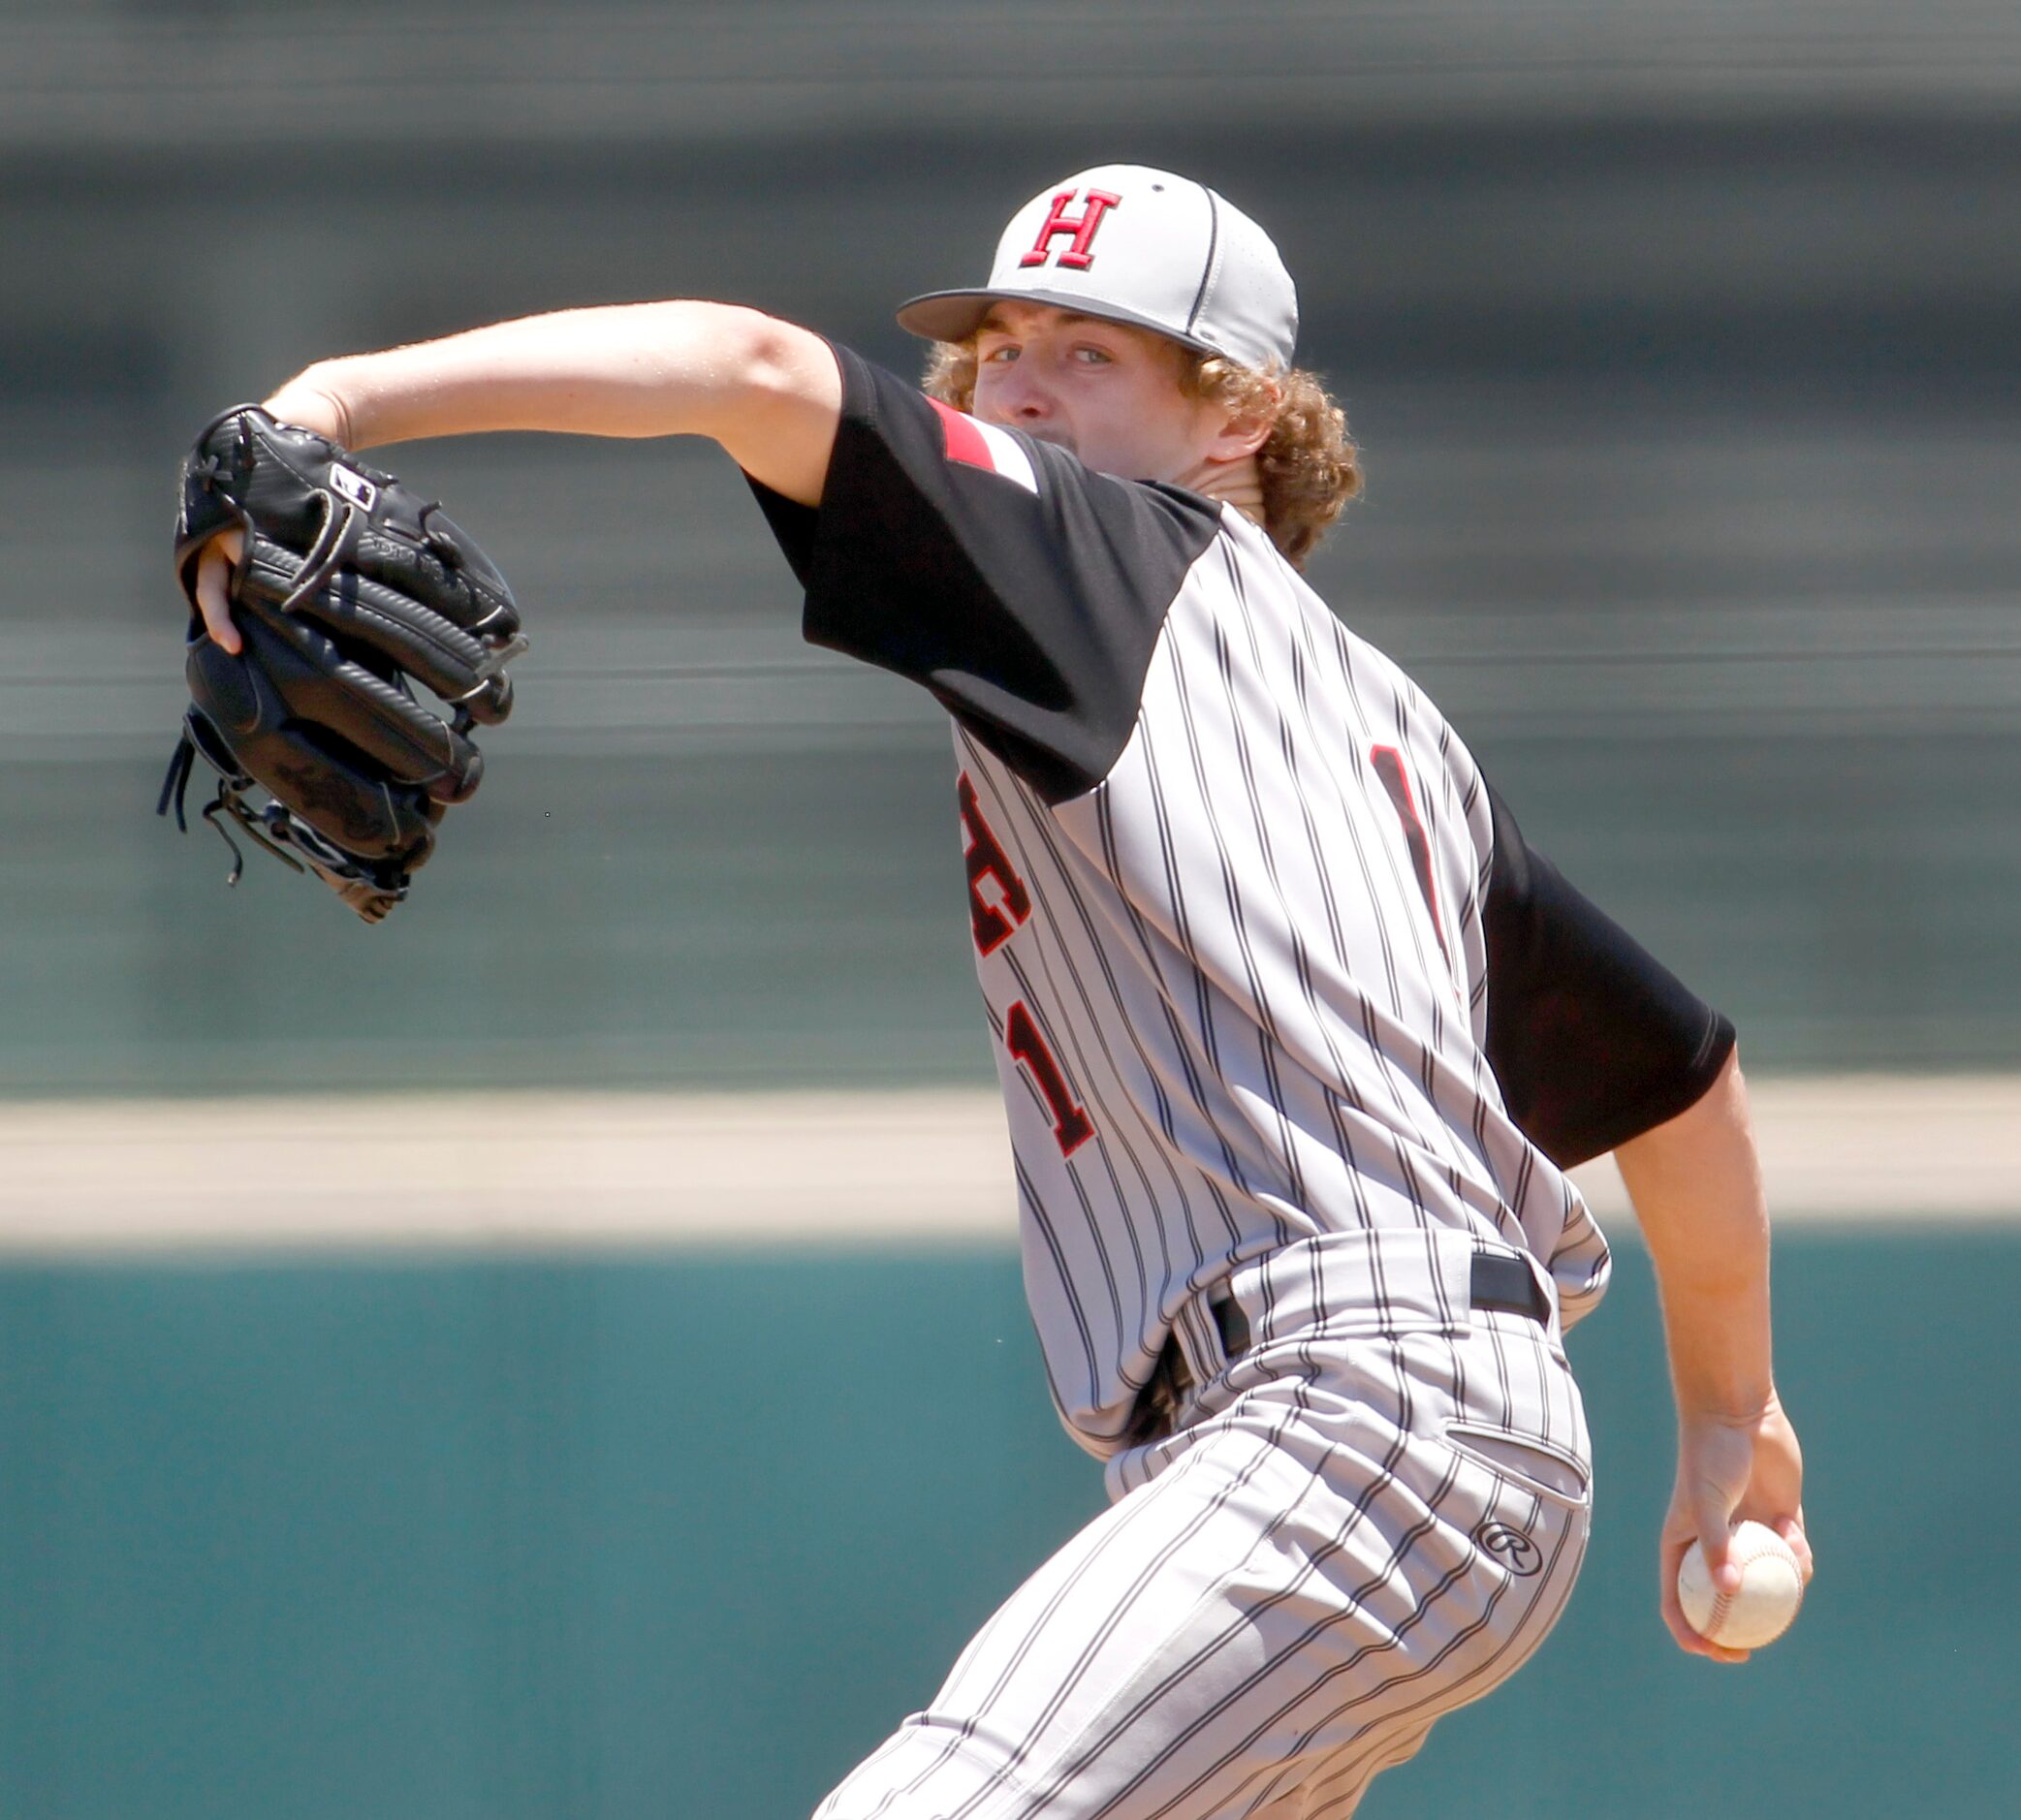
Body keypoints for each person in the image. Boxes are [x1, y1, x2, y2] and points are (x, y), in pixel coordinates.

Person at [191, 165, 1810, 1817]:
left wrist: (332, 399)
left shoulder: (1108, 563)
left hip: (1353, 1420)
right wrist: (1725, 1411)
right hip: (1394, 1441)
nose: (1018, 385)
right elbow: (1681, 1084)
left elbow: (748, 370)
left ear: (1235, 413)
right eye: (1000, 345)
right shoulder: (1389, 739)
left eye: (1089, 353)